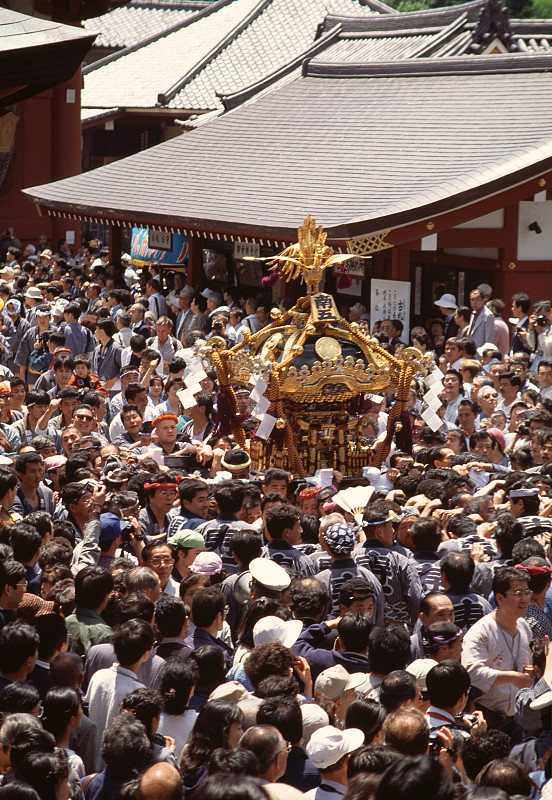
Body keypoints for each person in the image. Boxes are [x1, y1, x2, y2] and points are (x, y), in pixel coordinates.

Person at [462, 566, 533, 739]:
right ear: (500, 598)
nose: (524, 599)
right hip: (488, 717)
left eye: (526, 592)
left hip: (518, 717)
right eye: (518, 593)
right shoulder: (481, 632)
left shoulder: (524, 626)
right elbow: (471, 673)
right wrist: (514, 677)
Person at [86, 618, 155, 769]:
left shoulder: (98, 676)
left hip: (89, 763)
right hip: (115, 768)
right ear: (146, 653)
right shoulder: (136, 691)